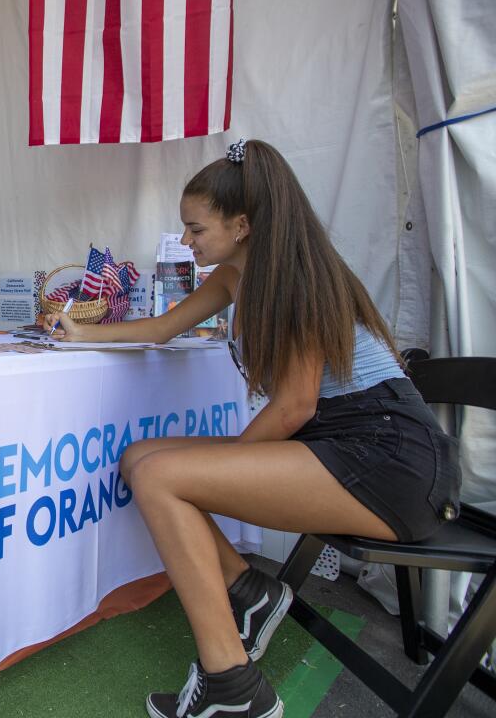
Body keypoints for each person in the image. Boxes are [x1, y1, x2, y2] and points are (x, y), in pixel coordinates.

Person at [48, 139, 459, 718]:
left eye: (195, 230)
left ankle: (232, 689)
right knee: (138, 457)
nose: (186, 242)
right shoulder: (235, 275)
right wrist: (81, 333)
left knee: (164, 477)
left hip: (390, 458)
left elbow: (293, 406)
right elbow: (164, 328)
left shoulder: (292, 277)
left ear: (241, 225)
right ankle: (249, 592)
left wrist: (224, 469)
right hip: (343, 443)